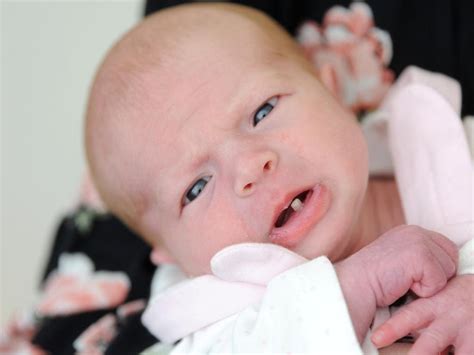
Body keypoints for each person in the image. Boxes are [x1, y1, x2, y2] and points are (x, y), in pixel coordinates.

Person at [83, 2, 473, 354]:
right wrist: (354, 288)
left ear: (333, 93)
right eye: (196, 188)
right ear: (169, 252)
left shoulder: (452, 149)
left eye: (262, 111)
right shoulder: (216, 321)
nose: (250, 167)